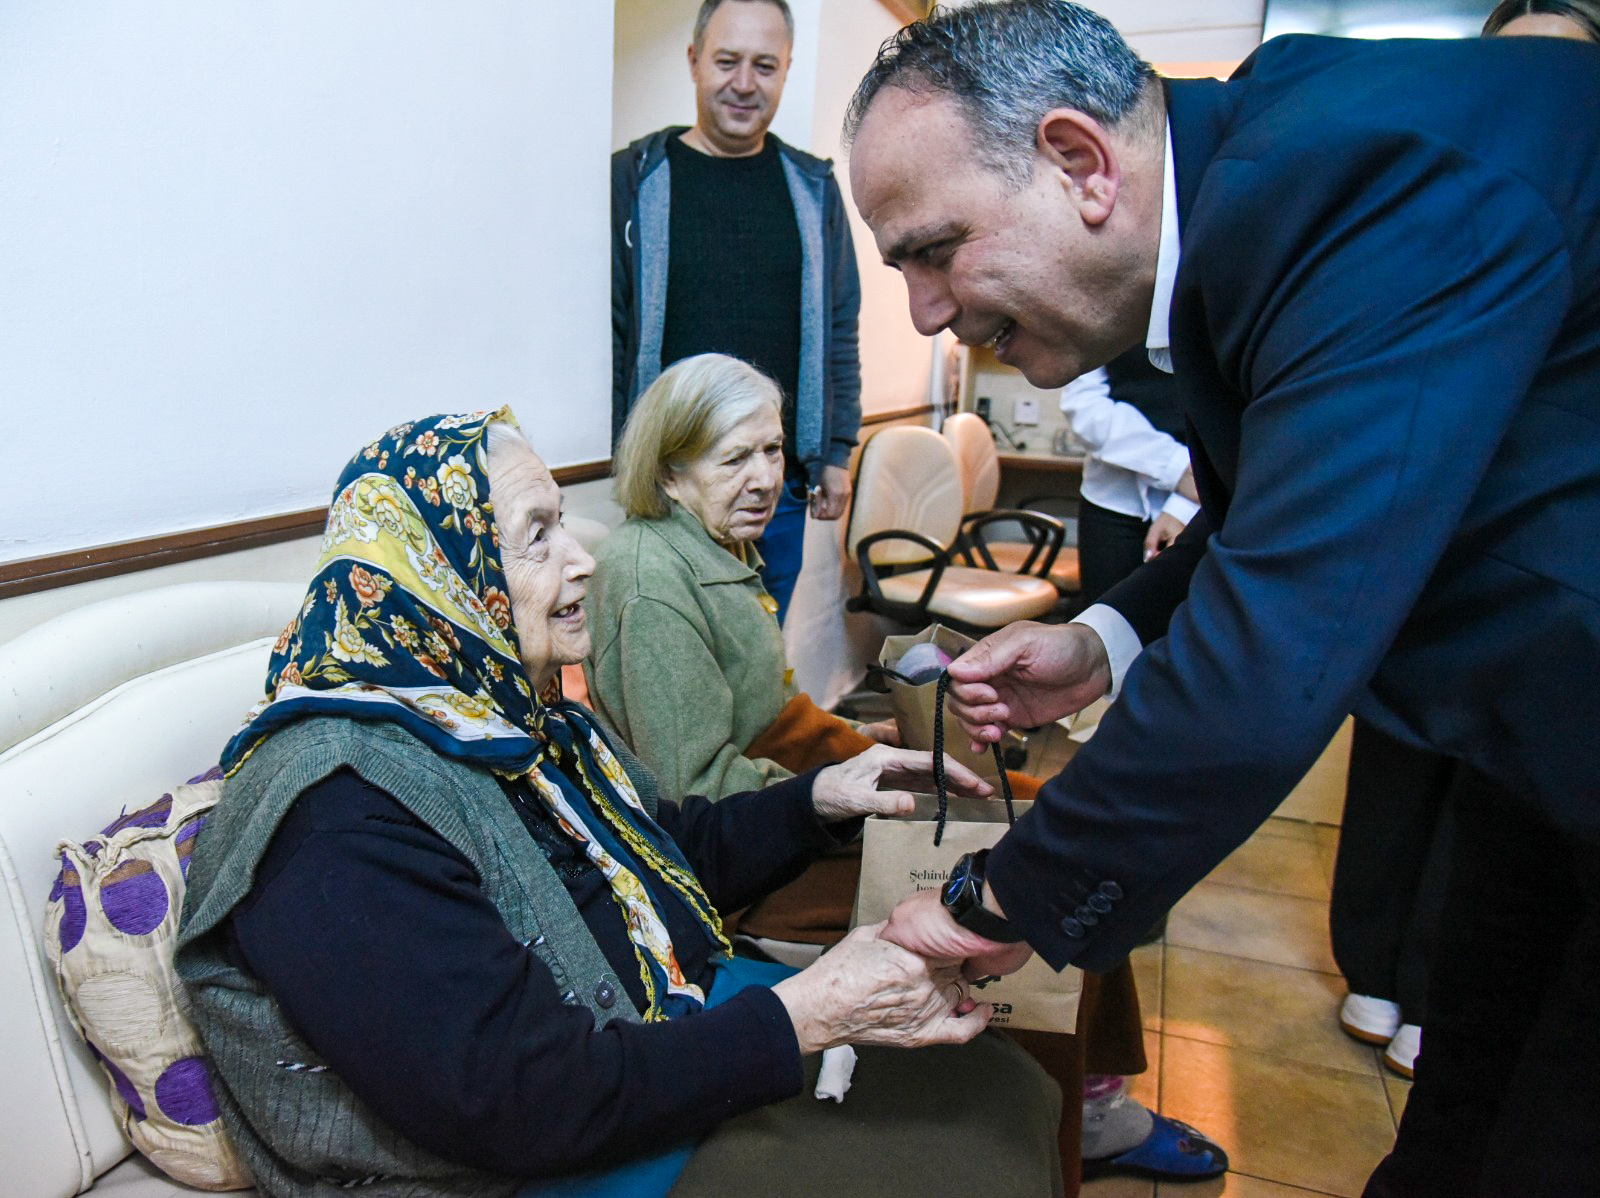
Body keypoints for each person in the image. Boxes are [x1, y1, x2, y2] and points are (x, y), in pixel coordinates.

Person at [841, 3, 1600, 1194]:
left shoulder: (1357, 184)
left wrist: (997, 897)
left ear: (1079, 163)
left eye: (933, 251)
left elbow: (1280, 634)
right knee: (1461, 1105)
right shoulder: (1255, 182)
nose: (926, 312)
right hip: (1542, 752)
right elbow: (1276, 504)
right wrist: (1106, 637)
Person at [173, 410, 1067, 1197]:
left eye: (563, 521)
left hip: (647, 1050)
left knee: (997, 1085)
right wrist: (810, 1012)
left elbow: (658, 855)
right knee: (969, 1141)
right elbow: (519, 1102)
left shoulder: (507, 717)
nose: (584, 558)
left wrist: (821, 799)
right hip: (527, 1163)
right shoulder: (336, 812)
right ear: (438, 574)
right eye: (537, 535)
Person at [585, 352, 1226, 1190]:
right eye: (734, 457)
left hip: (796, 795)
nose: (765, 478)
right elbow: (697, 798)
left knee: (1057, 823)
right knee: (1036, 878)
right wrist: (851, 787)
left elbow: (761, 721)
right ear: (670, 472)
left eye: (773, 451)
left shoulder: (711, 545)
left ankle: (1093, 1090)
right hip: (744, 860)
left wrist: (868, 741)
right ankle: (1074, 1121)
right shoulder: (650, 582)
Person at [1331, 0, 1600, 1085]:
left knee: (1492, 794)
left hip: (1546, 586)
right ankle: (1372, 961)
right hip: (1422, 554)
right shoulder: (1430, 216)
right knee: (1396, 768)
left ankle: (1436, 986)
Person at [611, 0, 861, 624]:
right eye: (727, 61)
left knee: (760, 662)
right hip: (670, 486)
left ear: (786, 70)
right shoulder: (635, 179)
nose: (745, 83)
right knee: (670, 659)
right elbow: (614, 329)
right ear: (694, 61)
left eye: (765, 66)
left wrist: (836, 453)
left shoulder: (814, 189)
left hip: (776, 492)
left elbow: (838, 328)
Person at [1060, 346, 1198, 603]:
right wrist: (1177, 468)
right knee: (1105, 613)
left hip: (1207, 501)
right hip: (1113, 501)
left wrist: (1187, 502)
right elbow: (1083, 404)